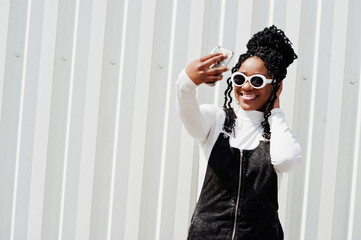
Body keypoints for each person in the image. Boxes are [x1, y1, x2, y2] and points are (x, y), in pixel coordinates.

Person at [176, 25, 303, 240]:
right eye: (239, 78)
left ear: (276, 86)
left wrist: (276, 112)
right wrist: (185, 83)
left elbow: (287, 159)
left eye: (257, 81)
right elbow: (191, 122)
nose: (246, 86)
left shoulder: (277, 134)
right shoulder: (215, 120)